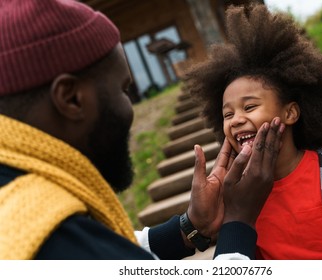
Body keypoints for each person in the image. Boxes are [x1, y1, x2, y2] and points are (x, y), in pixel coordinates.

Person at [0, 0, 285, 260]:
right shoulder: (49, 236)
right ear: (72, 99)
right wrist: (238, 221)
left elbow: (117, 244)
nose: (130, 109)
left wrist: (190, 227)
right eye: (124, 90)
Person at [184, 3, 322, 260]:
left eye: (249, 106)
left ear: (290, 113)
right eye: (227, 114)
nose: (236, 120)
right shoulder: (235, 199)